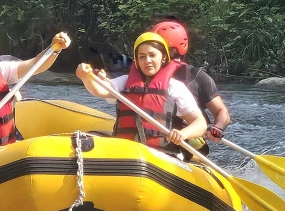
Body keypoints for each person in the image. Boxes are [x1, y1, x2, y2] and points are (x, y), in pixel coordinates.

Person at [76, 32, 207, 156]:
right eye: (142, 57)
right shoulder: (125, 81)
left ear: (164, 57)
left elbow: (200, 123)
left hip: (163, 154)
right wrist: (86, 78)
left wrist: (183, 134)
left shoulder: (175, 87)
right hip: (126, 150)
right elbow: (100, 90)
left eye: (152, 55)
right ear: (137, 61)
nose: (147, 60)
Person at [152, 20, 231, 146]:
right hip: (153, 135)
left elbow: (222, 112)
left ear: (172, 50)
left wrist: (217, 128)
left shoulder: (197, 77)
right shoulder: (146, 74)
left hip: (187, 140)